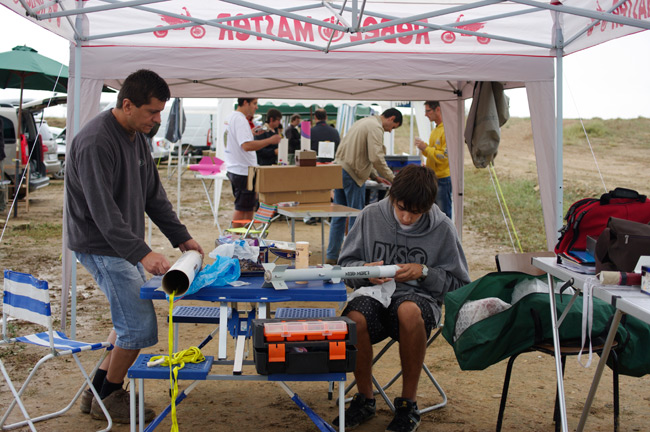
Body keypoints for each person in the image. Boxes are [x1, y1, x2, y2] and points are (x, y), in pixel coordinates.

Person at [65, 69, 205, 424]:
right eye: (152, 112)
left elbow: (153, 197)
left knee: (128, 320)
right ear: (127, 105)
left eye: (160, 112)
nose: (157, 120)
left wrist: (181, 237)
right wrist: (143, 253)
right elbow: (102, 212)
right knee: (139, 327)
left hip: (119, 244)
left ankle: (96, 391)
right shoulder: (97, 141)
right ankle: (109, 396)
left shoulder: (137, 136)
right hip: (99, 244)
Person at [333, 165, 470, 432]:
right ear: (392, 197)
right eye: (401, 208)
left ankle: (408, 404)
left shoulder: (443, 228)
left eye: (415, 212)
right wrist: (366, 272)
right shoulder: (371, 215)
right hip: (372, 295)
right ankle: (364, 398)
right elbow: (345, 267)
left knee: (408, 310)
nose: (406, 218)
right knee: (353, 319)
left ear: (429, 206)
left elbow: (459, 285)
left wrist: (425, 272)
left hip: (419, 302)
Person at [326, 108, 402, 265]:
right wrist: (393, 178)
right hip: (353, 174)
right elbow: (375, 157)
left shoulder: (363, 122)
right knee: (356, 217)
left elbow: (362, 153)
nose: (390, 131)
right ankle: (351, 257)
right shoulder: (376, 127)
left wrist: (375, 176)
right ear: (391, 118)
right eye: (393, 127)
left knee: (338, 217)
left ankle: (332, 256)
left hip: (339, 169)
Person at [224, 98, 281, 227]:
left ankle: (243, 238)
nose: (256, 107)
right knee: (243, 208)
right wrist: (269, 141)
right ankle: (238, 239)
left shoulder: (231, 117)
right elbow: (246, 146)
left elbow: (238, 140)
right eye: (254, 103)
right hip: (244, 170)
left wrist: (251, 133)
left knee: (247, 206)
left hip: (238, 168)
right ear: (245, 102)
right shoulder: (240, 119)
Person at [415, 101, 452, 219]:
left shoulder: (446, 130)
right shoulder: (436, 130)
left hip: (442, 179)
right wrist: (423, 147)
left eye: (428, 111)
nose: (425, 115)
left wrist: (425, 148)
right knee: (433, 213)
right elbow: (433, 153)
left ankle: (446, 237)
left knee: (443, 214)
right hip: (433, 178)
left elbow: (444, 158)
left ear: (438, 110)